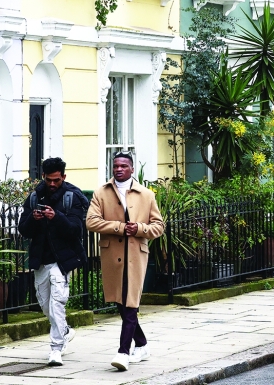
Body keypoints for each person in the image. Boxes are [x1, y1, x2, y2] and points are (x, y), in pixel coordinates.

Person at [86, 152, 164, 372]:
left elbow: (158, 226)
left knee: (130, 304)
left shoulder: (146, 195)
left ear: (131, 168)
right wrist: (119, 227)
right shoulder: (101, 193)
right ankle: (142, 344)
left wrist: (139, 229)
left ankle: (123, 352)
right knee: (121, 303)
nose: (118, 169)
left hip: (135, 255)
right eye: (115, 166)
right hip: (112, 256)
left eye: (123, 166)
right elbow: (91, 222)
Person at [17, 157, 88, 367]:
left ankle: (56, 349)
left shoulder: (71, 197)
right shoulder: (34, 197)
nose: (52, 184)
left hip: (62, 259)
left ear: (63, 177)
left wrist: (56, 216)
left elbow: (76, 230)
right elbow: (23, 229)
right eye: (49, 180)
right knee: (45, 305)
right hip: (41, 259)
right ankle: (64, 331)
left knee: (57, 302)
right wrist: (34, 219)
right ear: (43, 177)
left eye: (56, 180)